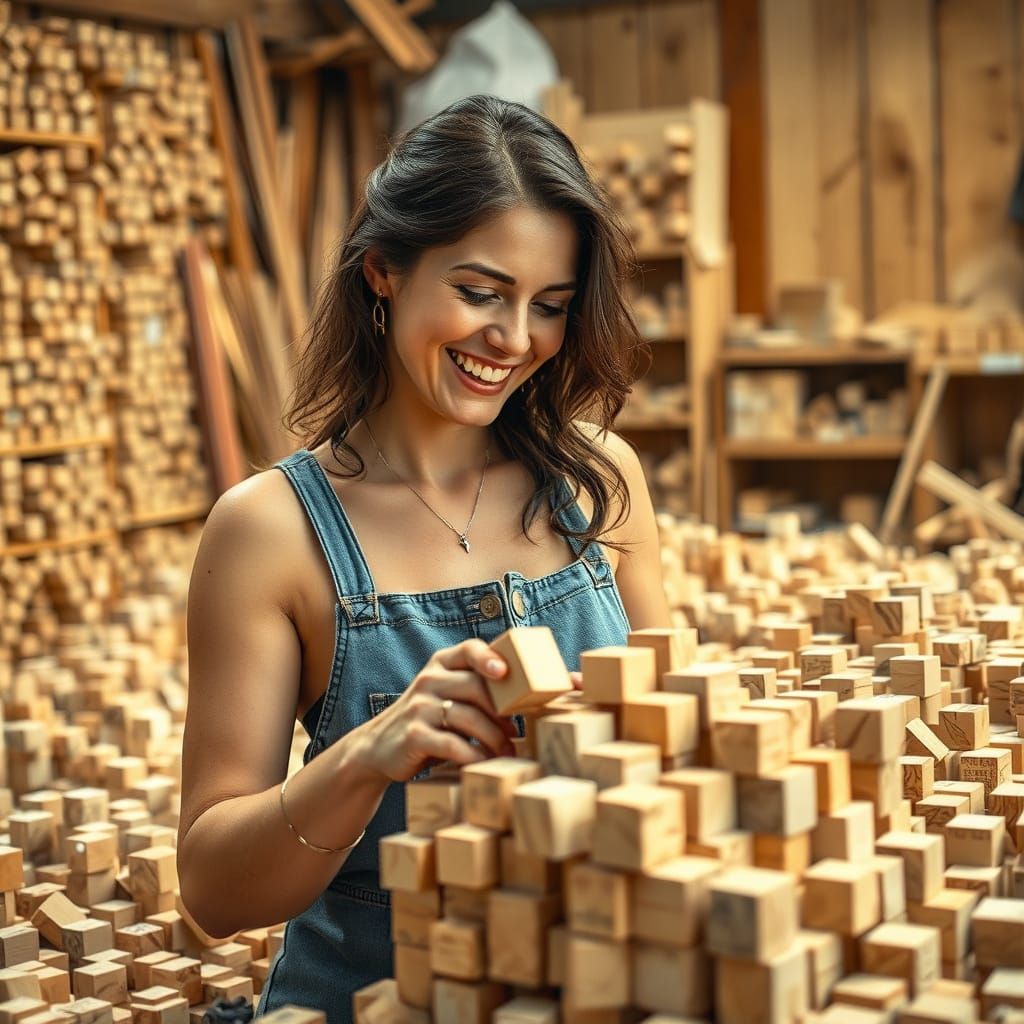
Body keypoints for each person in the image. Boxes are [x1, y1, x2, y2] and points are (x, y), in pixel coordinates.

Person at [177, 94, 670, 1024]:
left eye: (550, 307)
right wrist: (366, 757)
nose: (514, 339)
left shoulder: (604, 482)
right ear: (383, 271)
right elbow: (211, 890)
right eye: (480, 292)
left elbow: (679, 750)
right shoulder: (267, 531)